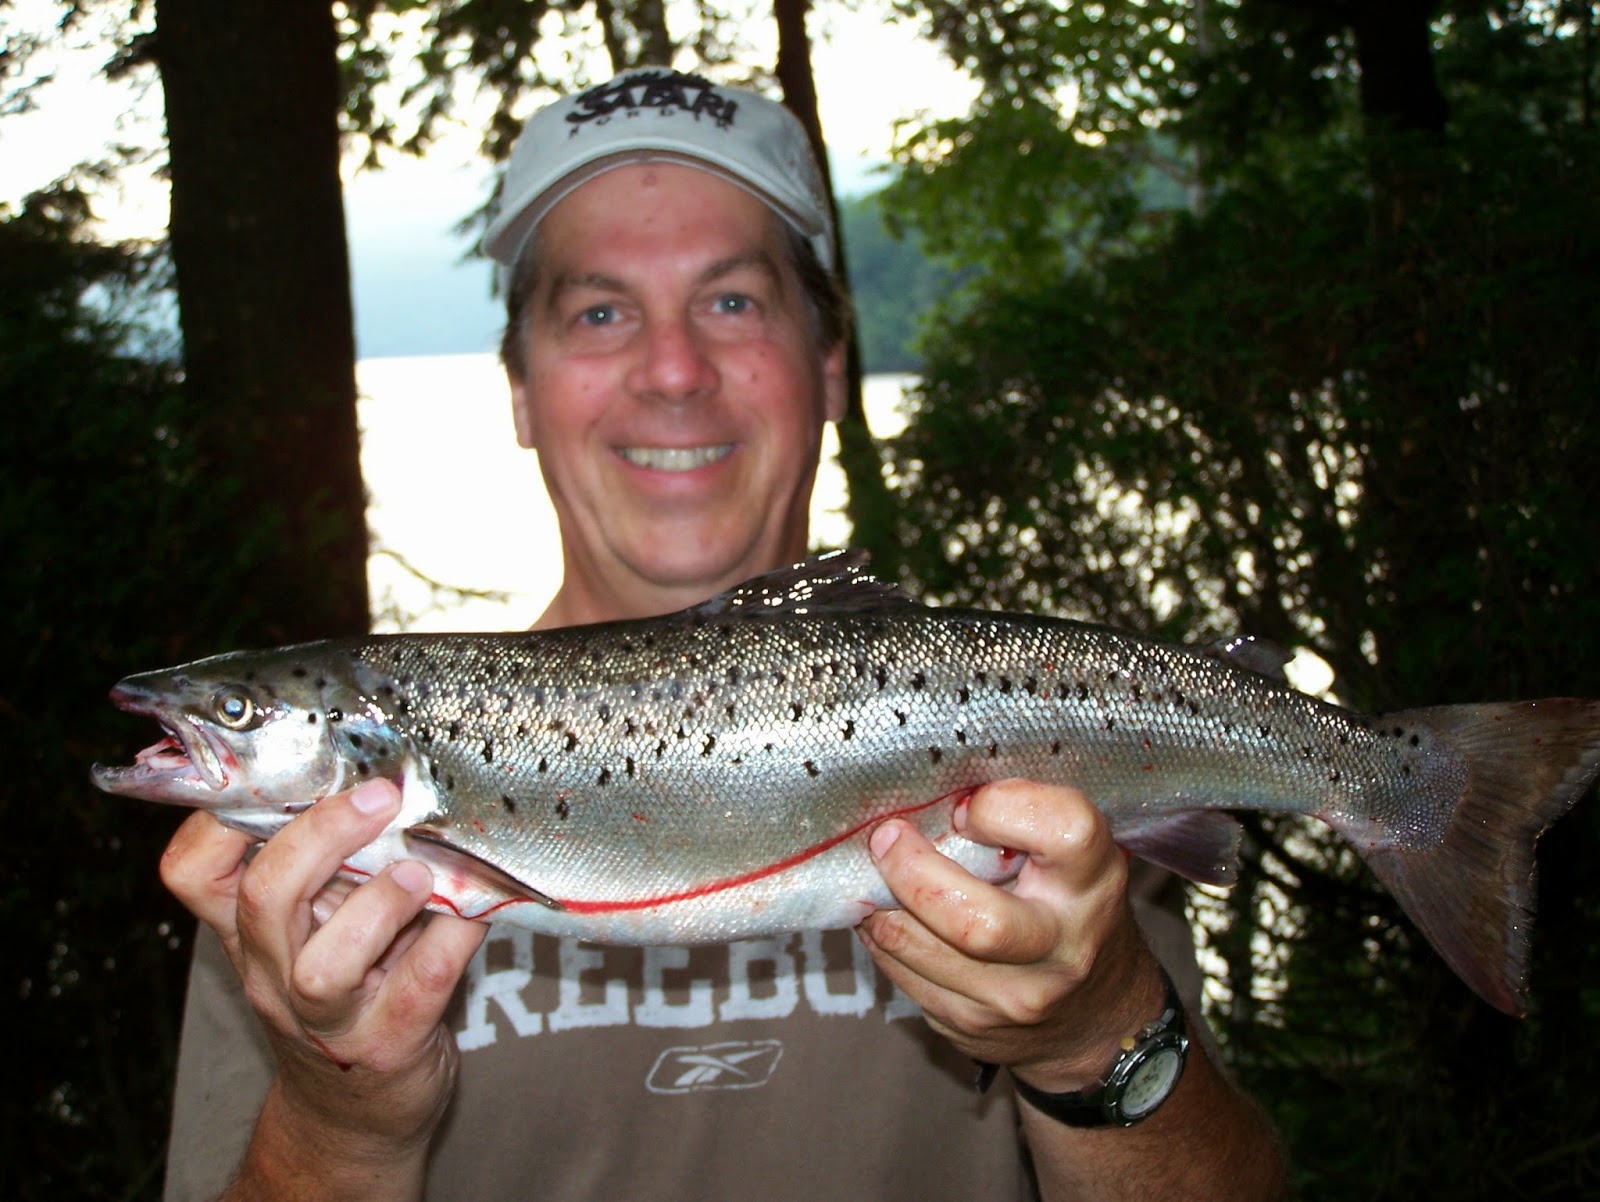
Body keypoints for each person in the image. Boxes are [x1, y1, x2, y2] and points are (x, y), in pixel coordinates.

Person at [159, 67, 1286, 1201]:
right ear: (517, 389)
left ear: (831, 359)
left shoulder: (1027, 758)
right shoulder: (292, 886)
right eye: (599, 311)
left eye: (733, 301)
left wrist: (1097, 1041)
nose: (673, 370)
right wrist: (340, 1121)